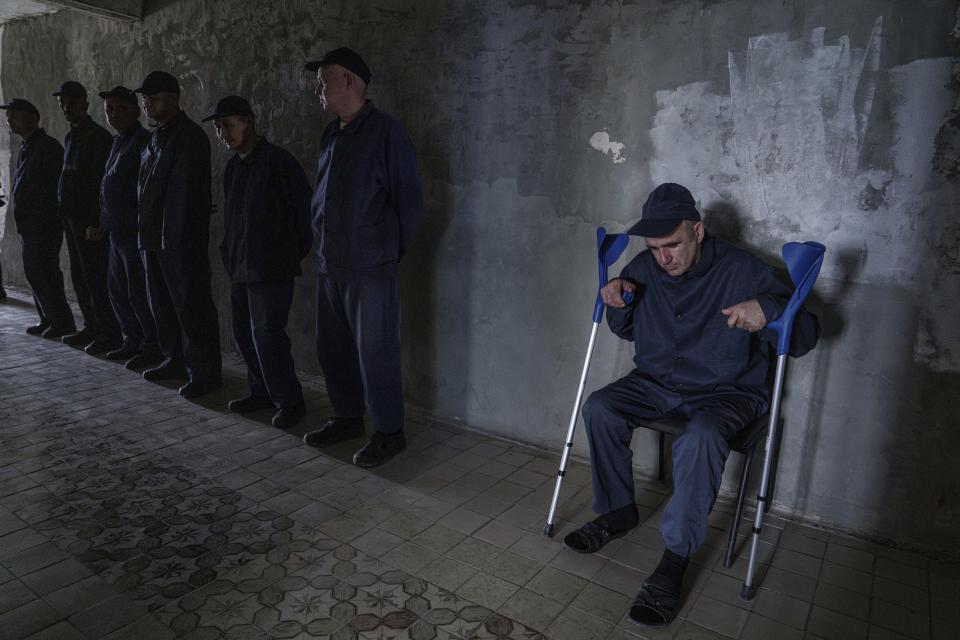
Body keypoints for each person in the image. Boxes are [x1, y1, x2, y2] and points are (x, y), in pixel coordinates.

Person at [563, 183, 820, 628]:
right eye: (655, 247)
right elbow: (626, 329)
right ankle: (619, 510)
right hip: (657, 382)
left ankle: (675, 558)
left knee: (700, 437)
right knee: (601, 407)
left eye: (673, 245)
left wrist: (769, 311)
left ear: (698, 231)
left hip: (728, 391)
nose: (664, 258)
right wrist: (616, 297)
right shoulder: (645, 266)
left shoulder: (743, 269)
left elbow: (807, 333)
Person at [300, 47, 423, 468]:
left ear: (349, 81)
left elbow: (408, 202)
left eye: (324, 81)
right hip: (330, 262)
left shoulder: (386, 131)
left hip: (370, 266)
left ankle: (389, 431)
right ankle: (347, 417)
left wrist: (384, 251)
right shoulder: (332, 133)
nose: (318, 89)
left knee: (376, 351)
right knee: (332, 347)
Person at [202, 95, 312, 428]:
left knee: (268, 335)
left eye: (228, 126)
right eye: (219, 128)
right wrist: (230, 254)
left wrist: (285, 255)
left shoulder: (279, 162)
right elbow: (234, 219)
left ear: (248, 122)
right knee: (243, 333)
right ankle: (261, 390)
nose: (223, 134)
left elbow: (304, 216)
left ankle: (289, 401)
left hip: (271, 268)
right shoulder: (234, 167)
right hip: (241, 267)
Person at [135, 70, 222, 398]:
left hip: (179, 243)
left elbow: (187, 197)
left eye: (152, 98)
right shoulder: (155, 137)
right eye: (145, 99)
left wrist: (177, 241)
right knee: (163, 305)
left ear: (173, 98)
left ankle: (205, 373)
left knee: (192, 307)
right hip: (153, 239)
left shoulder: (190, 136)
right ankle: (174, 359)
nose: (147, 104)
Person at [54, 80, 122, 354]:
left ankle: (109, 333)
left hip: (88, 221)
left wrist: (96, 220)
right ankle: (92, 327)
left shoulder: (99, 138)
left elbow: (99, 184)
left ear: (84, 103)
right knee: (80, 276)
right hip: (71, 218)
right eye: (63, 104)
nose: (67, 108)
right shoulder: (72, 137)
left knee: (95, 277)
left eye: (71, 103)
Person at [98, 85, 163, 369]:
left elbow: (145, 189)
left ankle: (151, 345)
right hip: (116, 230)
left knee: (138, 292)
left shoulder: (142, 141)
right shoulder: (118, 141)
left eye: (120, 108)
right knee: (117, 290)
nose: (113, 114)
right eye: (109, 109)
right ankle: (132, 341)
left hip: (133, 231)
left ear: (136, 110)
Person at [2, 98, 75, 337]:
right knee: (35, 273)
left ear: (31, 117)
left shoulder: (48, 148)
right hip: (29, 226)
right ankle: (48, 318)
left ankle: (62, 322)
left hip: (43, 225)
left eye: (14, 115)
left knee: (47, 273)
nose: (9, 120)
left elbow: (56, 188)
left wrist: (47, 219)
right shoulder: (27, 147)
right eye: (8, 116)